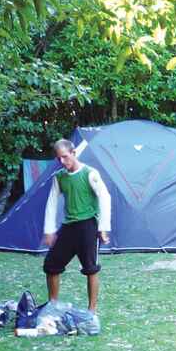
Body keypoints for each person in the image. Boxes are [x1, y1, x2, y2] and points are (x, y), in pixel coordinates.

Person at [42, 138, 111, 327]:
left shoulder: (90, 173)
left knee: (91, 268)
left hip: (88, 225)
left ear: (73, 153)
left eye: (65, 157)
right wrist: (49, 231)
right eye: (59, 159)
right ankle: (53, 305)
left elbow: (105, 197)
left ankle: (91, 312)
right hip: (69, 227)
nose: (63, 162)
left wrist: (103, 227)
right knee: (51, 265)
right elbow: (52, 203)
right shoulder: (60, 177)